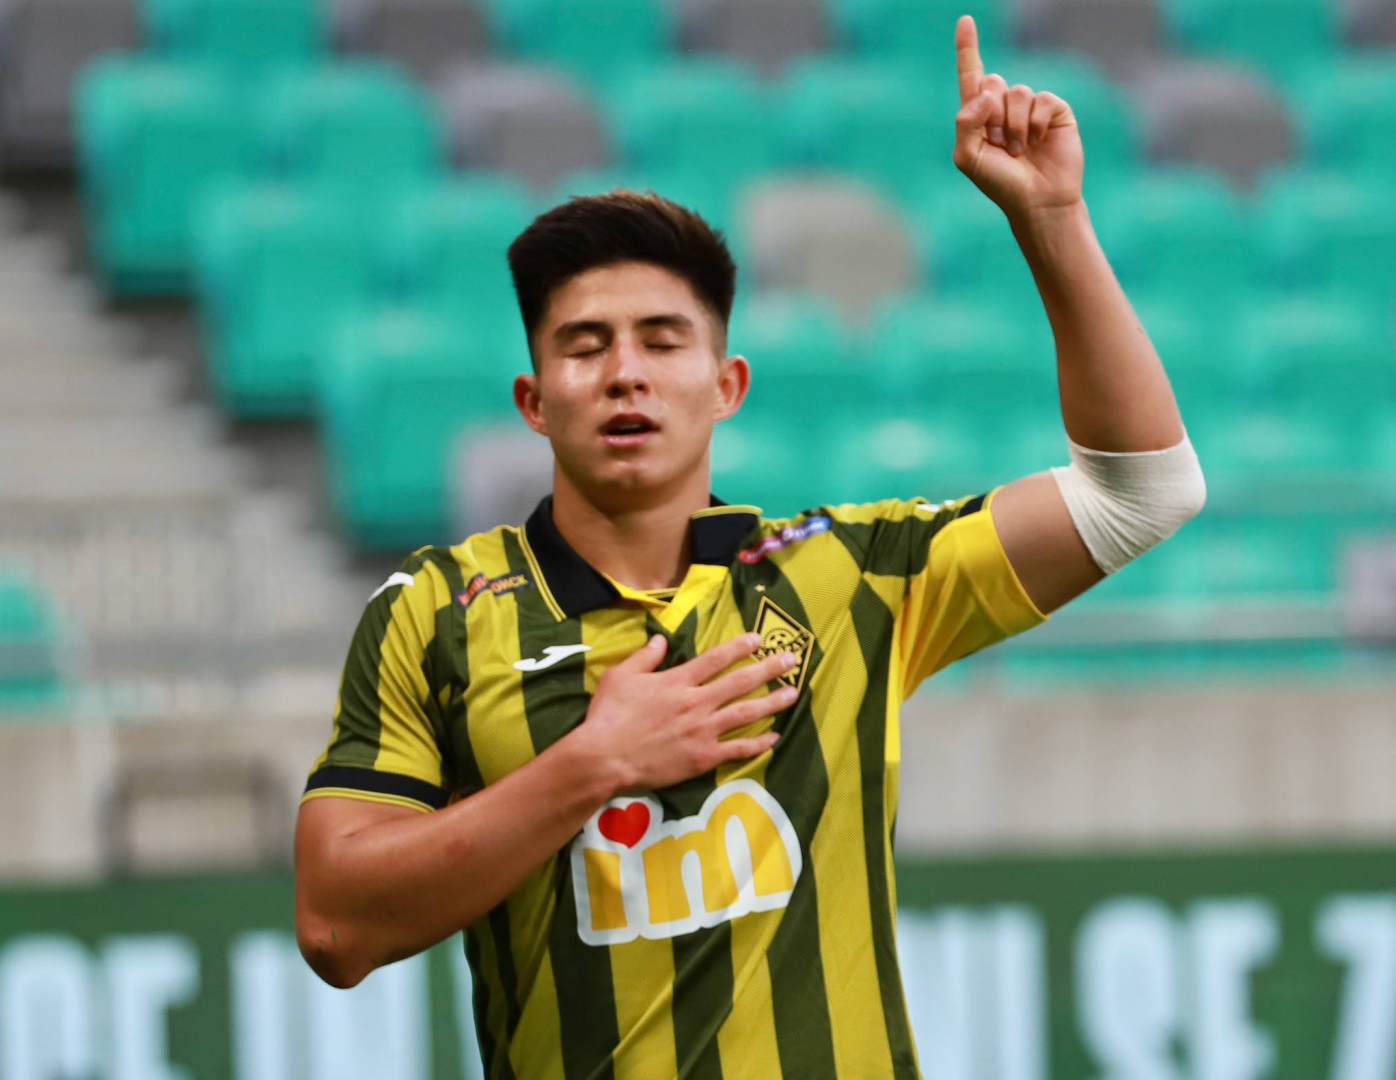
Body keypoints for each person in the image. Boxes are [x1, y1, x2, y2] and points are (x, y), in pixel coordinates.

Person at [293, 14, 1207, 1079]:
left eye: (661, 341)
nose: (625, 373)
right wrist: (595, 763)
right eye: (585, 348)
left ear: (726, 386)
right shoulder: (435, 611)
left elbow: (1141, 491)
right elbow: (335, 927)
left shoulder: (849, 575)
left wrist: (1052, 220)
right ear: (534, 402)